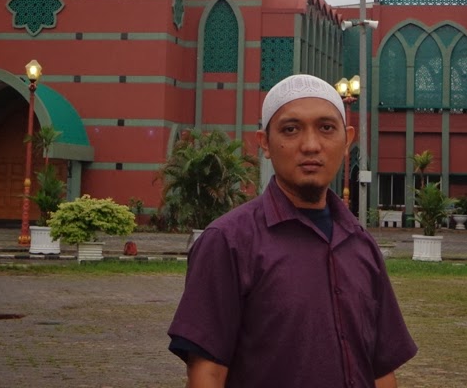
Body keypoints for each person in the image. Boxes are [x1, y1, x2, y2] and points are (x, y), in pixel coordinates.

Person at [168, 74, 418, 387]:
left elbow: (381, 370)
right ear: (265, 143)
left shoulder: (360, 244)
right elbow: (208, 373)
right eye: (291, 129)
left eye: (326, 128)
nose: (311, 145)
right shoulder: (229, 242)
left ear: (347, 140)